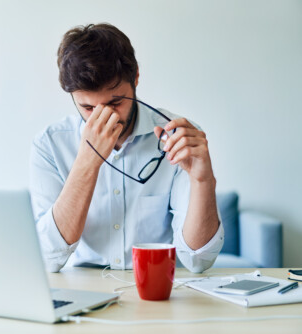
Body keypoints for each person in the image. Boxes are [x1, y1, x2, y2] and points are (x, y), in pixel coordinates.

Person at [29, 23, 224, 273]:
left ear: (136, 78)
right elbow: (48, 258)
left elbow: (198, 261)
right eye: (88, 108)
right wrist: (88, 161)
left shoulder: (179, 137)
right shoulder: (50, 144)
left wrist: (203, 181)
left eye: (116, 102)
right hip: (83, 291)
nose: (104, 118)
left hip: (157, 289)